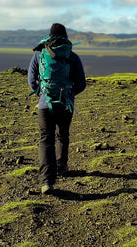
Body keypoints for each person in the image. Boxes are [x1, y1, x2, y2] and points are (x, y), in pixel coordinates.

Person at [28, 23, 86, 194]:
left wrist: (42, 93)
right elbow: (81, 84)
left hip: (45, 104)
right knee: (63, 134)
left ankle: (47, 181)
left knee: (46, 139)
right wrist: (69, 93)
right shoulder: (73, 56)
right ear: (66, 36)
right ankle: (61, 166)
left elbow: (31, 80)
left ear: (49, 35)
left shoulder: (40, 54)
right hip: (66, 104)